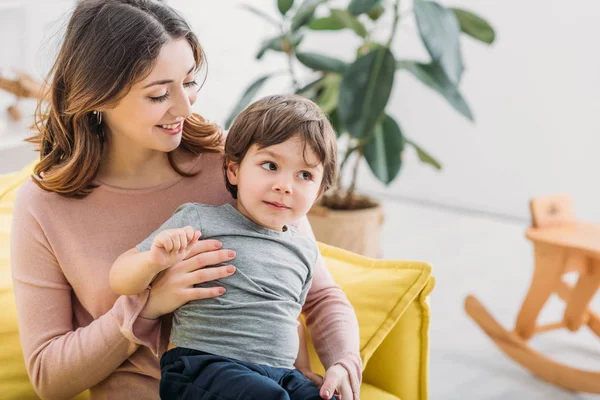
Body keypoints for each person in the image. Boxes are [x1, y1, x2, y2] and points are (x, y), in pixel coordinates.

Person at [9, 1, 361, 399]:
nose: (185, 106)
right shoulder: (44, 206)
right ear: (98, 97)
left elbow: (320, 293)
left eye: (189, 82)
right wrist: (150, 303)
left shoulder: (241, 161)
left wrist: (343, 363)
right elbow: (48, 377)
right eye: (159, 94)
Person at [110, 94, 339, 399]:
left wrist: (301, 372)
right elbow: (119, 278)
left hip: (278, 374)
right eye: (270, 165)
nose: (285, 185)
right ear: (233, 170)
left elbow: (289, 316)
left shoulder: (304, 250)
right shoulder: (200, 219)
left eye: (305, 175)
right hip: (203, 366)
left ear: (319, 191)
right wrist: (154, 260)